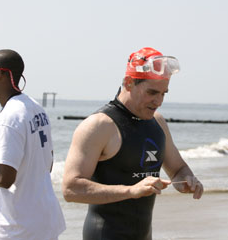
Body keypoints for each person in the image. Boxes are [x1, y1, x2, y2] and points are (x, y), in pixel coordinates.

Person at [62, 47, 203, 240]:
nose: (159, 101)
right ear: (129, 83)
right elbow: (71, 189)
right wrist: (130, 191)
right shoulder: (99, 125)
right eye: (152, 92)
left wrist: (188, 180)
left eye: (164, 93)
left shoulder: (158, 122)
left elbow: (178, 168)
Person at [0, 49, 65, 239]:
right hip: (45, 220)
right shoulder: (36, 108)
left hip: (19, 228)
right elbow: (48, 164)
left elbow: (4, 178)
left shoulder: (8, 118)